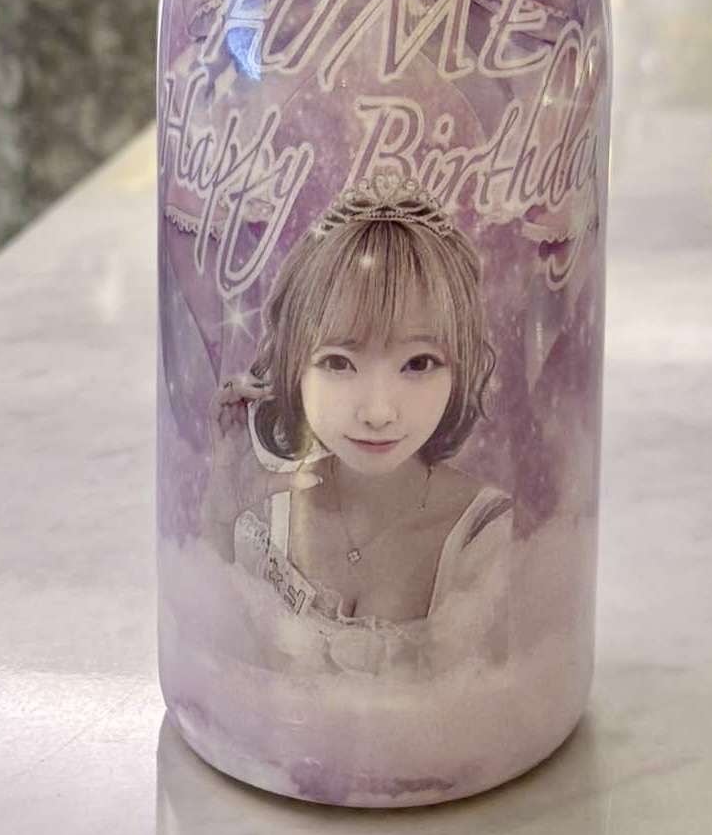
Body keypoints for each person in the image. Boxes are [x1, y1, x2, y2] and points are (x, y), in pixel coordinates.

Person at [201, 178, 512, 669]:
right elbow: (215, 670)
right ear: (294, 364)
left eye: (418, 363)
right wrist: (220, 519)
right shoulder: (268, 509)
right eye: (339, 363)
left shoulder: (484, 536)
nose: (378, 412)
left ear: (461, 368)